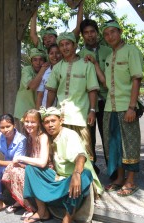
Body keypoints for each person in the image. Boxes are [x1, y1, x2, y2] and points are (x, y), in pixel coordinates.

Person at [23, 107, 103, 223]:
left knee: (84, 175)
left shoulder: (69, 134)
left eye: (53, 121)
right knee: (31, 168)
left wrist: (76, 174)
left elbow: (80, 156)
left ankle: (67, 219)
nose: (50, 125)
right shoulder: (48, 136)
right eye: (46, 122)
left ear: (61, 121)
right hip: (59, 178)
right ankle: (42, 211)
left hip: (74, 179)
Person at [101, 20, 143, 196]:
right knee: (114, 146)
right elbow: (105, 84)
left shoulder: (131, 50)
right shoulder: (109, 57)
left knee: (129, 144)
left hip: (126, 106)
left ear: (120, 32)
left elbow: (136, 78)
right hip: (110, 108)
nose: (110, 36)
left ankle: (131, 181)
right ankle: (119, 178)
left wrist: (132, 107)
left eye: (113, 32)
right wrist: (96, 66)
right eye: (106, 34)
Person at [45, 32, 100, 161]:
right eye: (62, 45)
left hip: (80, 117)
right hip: (62, 117)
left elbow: (92, 90)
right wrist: (48, 111)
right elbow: (51, 90)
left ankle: (86, 179)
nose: (65, 48)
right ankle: (66, 179)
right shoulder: (57, 67)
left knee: (84, 150)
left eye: (68, 44)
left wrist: (92, 110)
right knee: (62, 151)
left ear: (75, 45)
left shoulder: (87, 65)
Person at [2, 109, 53, 221]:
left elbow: (42, 162)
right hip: (33, 168)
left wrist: (21, 158)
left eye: (33, 122)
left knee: (20, 171)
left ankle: (35, 209)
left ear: (39, 123)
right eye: (27, 121)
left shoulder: (42, 137)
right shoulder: (29, 136)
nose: (29, 125)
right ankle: (23, 202)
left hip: (45, 171)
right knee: (11, 167)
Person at [78, 18, 112, 174]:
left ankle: (113, 170)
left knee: (108, 137)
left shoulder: (109, 51)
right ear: (82, 36)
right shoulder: (79, 56)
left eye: (92, 32)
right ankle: (91, 170)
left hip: (107, 101)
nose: (90, 35)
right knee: (88, 137)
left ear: (97, 33)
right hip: (88, 103)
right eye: (86, 33)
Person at [14, 48, 47, 122]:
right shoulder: (27, 70)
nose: (38, 63)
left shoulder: (47, 71)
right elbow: (32, 86)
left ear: (45, 61)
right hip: (23, 111)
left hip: (37, 111)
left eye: (41, 60)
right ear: (31, 62)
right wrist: (43, 69)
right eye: (35, 60)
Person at [36, 43, 62, 108]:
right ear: (48, 55)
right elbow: (40, 95)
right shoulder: (45, 70)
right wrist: (38, 113)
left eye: (57, 53)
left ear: (62, 54)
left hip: (61, 110)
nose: (54, 56)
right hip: (45, 110)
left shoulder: (65, 69)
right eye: (51, 53)